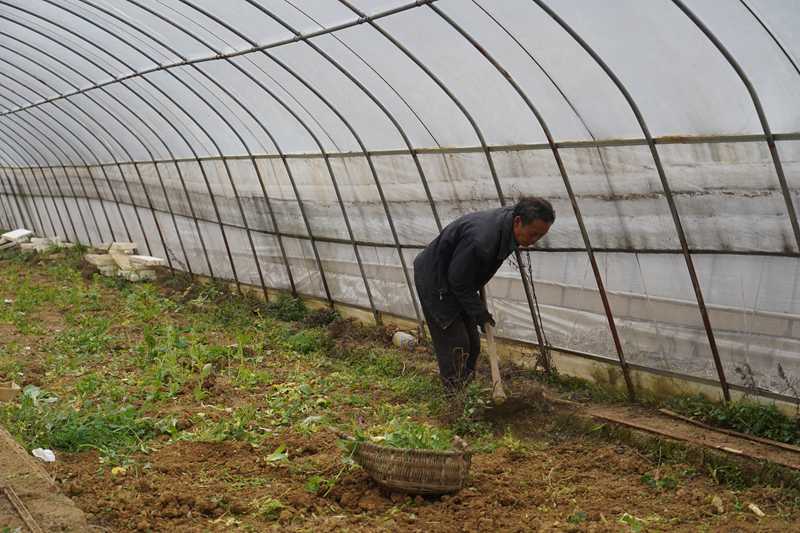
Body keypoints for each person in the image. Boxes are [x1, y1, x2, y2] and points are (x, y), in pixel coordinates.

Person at [413, 197, 555, 391]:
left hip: (459, 279)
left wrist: (477, 312)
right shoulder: (481, 240)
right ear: (518, 221)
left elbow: (463, 278)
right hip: (436, 282)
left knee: (473, 344)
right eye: (533, 234)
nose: (534, 241)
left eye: (540, 236)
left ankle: (466, 390)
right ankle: (454, 398)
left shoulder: (510, 225)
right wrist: (479, 313)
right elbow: (458, 281)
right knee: (457, 345)